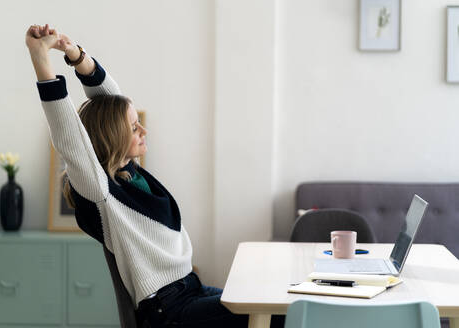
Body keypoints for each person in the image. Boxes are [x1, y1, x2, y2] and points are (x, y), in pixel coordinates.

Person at [25, 24, 285, 328]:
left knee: (276, 304)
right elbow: (68, 133)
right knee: (277, 316)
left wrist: (74, 54)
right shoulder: (102, 192)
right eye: (134, 128)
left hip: (190, 290)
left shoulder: (127, 173)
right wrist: (41, 58)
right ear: (115, 136)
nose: (143, 130)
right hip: (168, 312)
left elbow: (113, 102)